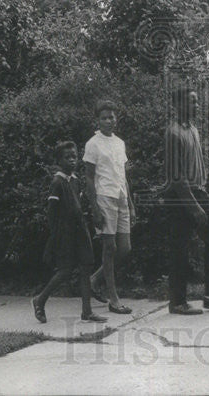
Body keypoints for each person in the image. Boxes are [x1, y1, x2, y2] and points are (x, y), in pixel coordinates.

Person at [164, 86, 209, 315]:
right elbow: (177, 178)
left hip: (199, 190)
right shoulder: (173, 133)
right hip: (181, 195)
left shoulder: (193, 130)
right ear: (177, 106)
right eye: (191, 102)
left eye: (197, 102)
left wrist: (200, 196)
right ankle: (177, 302)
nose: (196, 106)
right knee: (180, 248)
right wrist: (194, 206)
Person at [32, 142, 108, 324]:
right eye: (67, 157)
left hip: (80, 230)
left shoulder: (75, 180)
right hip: (64, 232)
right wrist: (56, 236)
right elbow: (52, 212)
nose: (72, 160)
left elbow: (78, 207)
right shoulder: (57, 182)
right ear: (59, 160)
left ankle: (87, 312)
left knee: (86, 267)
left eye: (74, 156)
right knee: (65, 271)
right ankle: (40, 300)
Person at [82, 101, 133, 314]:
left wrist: (130, 202)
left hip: (121, 197)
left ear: (116, 119)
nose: (108, 121)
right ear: (98, 120)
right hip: (104, 197)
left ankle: (95, 279)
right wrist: (94, 207)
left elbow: (123, 175)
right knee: (109, 248)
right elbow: (89, 177)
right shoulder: (93, 144)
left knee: (125, 248)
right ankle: (113, 299)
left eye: (111, 117)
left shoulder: (119, 143)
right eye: (104, 117)